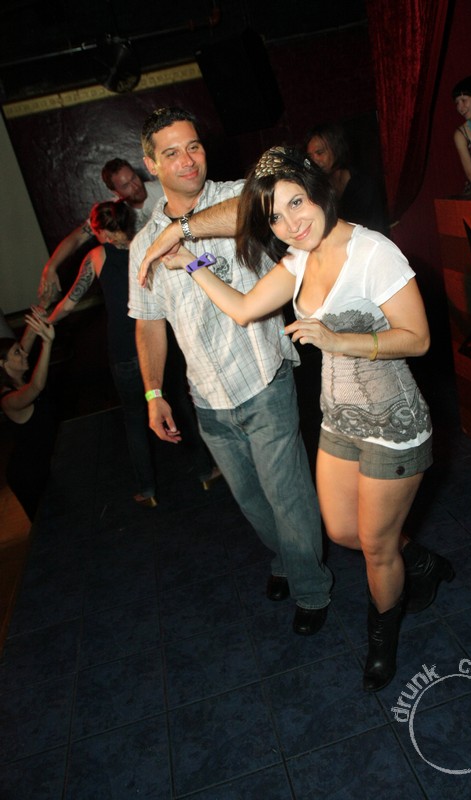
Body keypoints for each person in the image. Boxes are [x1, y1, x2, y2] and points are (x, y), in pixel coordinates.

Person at [153, 146, 455, 691]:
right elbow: (245, 309)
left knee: (376, 547)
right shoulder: (297, 260)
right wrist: (191, 264)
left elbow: (419, 338)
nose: (291, 223)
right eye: (275, 216)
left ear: (318, 192)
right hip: (338, 420)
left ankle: (382, 640)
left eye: (297, 203)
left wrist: (339, 340)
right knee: (342, 531)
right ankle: (421, 561)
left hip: (393, 423)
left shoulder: (373, 252)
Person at [129, 106, 333, 635]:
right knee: (252, 501)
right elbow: (149, 323)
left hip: (262, 376)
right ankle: (286, 558)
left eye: (193, 146)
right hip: (207, 397)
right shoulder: (140, 246)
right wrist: (153, 393)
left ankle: (311, 587)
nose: (187, 159)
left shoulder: (241, 196)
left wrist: (180, 232)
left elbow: (253, 213)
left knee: (287, 494)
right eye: (171, 152)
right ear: (151, 164)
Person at [47, 200, 218, 506]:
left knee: (134, 417)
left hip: (125, 351)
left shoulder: (97, 256)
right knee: (179, 405)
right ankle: (205, 471)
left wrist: (47, 320)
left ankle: (148, 490)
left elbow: (70, 303)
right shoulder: (148, 246)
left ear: (100, 231)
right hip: (158, 343)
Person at [39, 158, 164, 296]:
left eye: (134, 177)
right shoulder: (114, 213)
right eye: (125, 185)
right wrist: (50, 267)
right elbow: (77, 238)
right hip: (147, 284)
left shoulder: (164, 190)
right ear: (115, 192)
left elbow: (184, 221)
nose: (135, 186)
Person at [0, 307, 58, 521]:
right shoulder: (8, 400)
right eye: (17, 353)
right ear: (3, 364)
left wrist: (41, 310)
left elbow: (26, 341)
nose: (24, 353)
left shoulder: (17, 376)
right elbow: (36, 387)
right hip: (28, 476)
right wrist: (47, 344)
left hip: (45, 465)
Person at [304, 122, 388, 234]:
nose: (314, 160)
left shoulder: (364, 185)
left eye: (319, 153)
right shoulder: (315, 190)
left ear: (336, 149)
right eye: (310, 156)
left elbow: (378, 229)